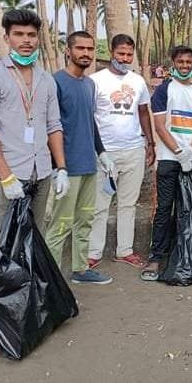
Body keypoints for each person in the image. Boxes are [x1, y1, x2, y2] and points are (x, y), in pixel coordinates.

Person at [0, 8, 68, 357]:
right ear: (7, 37)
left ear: (38, 38)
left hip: (41, 174)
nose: (26, 41)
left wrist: (61, 168)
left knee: (33, 245)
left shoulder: (45, 80)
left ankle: (28, 314)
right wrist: (7, 176)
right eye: (19, 35)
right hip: (6, 178)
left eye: (31, 35)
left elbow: (54, 126)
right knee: (2, 250)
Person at [45, 31, 113, 285]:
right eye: (80, 48)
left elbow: (89, 121)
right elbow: (49, 128)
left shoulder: (89, 84)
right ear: (68, 50)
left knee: (85, 220)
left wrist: (102, 152)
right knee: (61, 225)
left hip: (89, 165)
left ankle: (81, 269)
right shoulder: (55, 82)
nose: (86, 53)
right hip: (67, 168)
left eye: (90, 49)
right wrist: (58, 167)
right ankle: (50, 279)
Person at [141, 45, 192, 281]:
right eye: (181, 62)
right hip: (169, 160)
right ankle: (156, 256)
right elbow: (160, 126)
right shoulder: (163, 90)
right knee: (164, 208)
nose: (185, 66)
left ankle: (185, 255)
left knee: (188, 209)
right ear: (173, 63)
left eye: (189, 62)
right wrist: (179, 151)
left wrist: (190, 150)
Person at [88, 34, 155, 269]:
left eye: (129, 54)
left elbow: (144, 112)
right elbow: (89, 117)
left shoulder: (137, 82)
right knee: (100, 203)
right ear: (111, 52)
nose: (125, 59)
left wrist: (150, 142)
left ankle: (124, 250)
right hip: (105, 153)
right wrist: (96, 149)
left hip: (133, 150)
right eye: (120, 54)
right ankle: (94, 252)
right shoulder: (96, 81)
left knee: (128, 203)